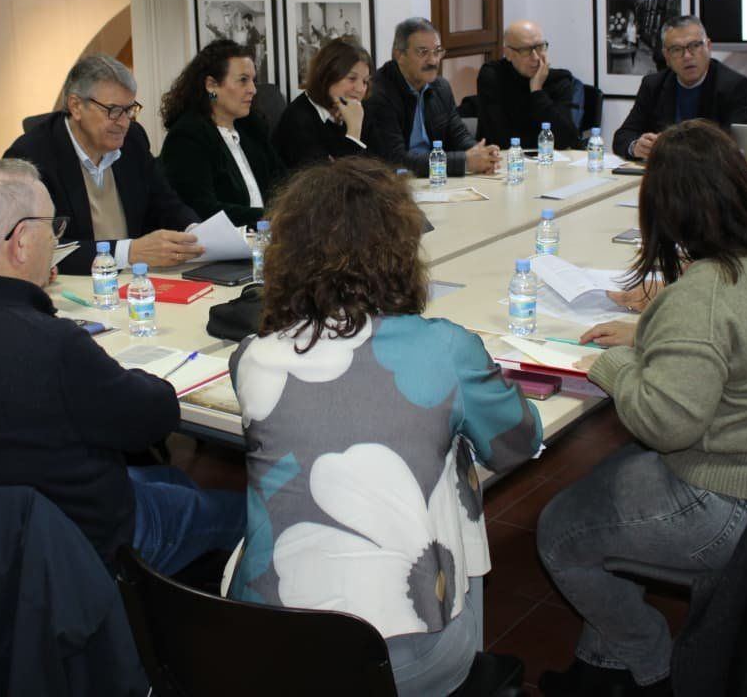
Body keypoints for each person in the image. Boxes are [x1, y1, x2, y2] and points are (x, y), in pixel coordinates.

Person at [535, 120, 747, 697]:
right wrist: (650, 340)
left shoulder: (703, 295)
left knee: (559, 531)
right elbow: (731, 348)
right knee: (606, 485)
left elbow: (665, 425)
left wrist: (614, 366)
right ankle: (602, 667)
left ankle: (653, 666)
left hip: (731, 499)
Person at [227, 159, 541, 697]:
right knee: (454, 466)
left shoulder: (252, 358)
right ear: (400, 250)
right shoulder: (444, 348)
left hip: (267, 646)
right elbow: (519, 443)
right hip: (405, 661)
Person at [0, 160, 244, 573]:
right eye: (52, 229)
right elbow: (151, 419)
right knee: (244, 511)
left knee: (171, 482)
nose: (55, 242)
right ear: (19, 243)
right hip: (73, 547)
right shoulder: (48, 344)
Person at [4, 54, 202, 274]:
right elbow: (36, 247)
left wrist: (197, 233)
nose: (124, 122)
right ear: (76, 106)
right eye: (113, 110)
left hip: (137, 283)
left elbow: (167, 204)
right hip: (75, 290)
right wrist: (128, 252)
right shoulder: (31, 157)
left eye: (129, 110)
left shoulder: (133, 140)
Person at [159, 40, 286, 228]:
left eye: (253, 80)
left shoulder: (252, 128)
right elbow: (201, 208)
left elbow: (283, 182)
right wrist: (271, 216)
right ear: (211, 85)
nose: (253, 89)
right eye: (243, 80)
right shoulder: (187, 136)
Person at [365, 17, 500, 177]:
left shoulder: (440, 87)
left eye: (437, 51)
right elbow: (396, 160)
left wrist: (482, 155)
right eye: (423, 52)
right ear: (399, 55)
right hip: (397, 185)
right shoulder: (378, 93)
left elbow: (458, 135)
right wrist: (465, 161)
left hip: (435, 179)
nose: (433, 60)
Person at [611, 16, 747, 161]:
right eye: (676, 49)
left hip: (711, 176)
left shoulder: (735, 86)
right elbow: (623, 136)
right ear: (666, 56)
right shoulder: (653, 85)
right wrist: (636, 147)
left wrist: (672, 147)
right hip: (663, 173)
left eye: (695, 46)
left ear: (708, 47)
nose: (687, 56)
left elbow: (732, 145)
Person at [475, 19, 587, 150]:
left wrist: (537, 92)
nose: (535, 57)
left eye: (540, 47)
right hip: (504, 162)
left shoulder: (559, 80)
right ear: (508, 54)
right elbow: (499, 138)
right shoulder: (492, 75)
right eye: (526, 50)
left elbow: (566, 140)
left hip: (548, 162)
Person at [272, 35, 373, 171]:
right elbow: (331, 185)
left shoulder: (352, 109)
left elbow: (377, 165)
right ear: (327, 75)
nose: (361, 89)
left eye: (365, 81)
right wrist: (354, 131)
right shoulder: (298, 120)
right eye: (352, 78)